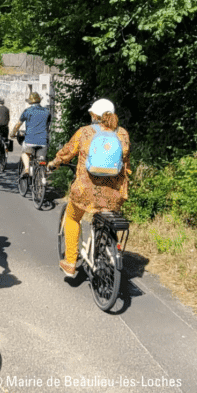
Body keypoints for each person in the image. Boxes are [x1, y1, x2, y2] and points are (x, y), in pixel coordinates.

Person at [48, 99, 131, 277]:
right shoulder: (123, 134)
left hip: (86, 191)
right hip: (113, 193)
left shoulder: (85, 132)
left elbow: (67, 152)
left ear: (94, 115)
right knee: (103, 218)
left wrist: (54, 163)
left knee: (71, 217)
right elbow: (125, 163)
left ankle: (70, 262)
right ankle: (104, 249)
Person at [10, 92, 51, 176]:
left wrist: (12, 133)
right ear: (39, 101)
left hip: (30, 140)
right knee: (41, 159)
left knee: (25, 153)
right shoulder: (47, 112)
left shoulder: (27, 111)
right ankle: (43, 174)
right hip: (43, 141)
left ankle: (27, 169)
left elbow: (18, 124)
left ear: (30, 102)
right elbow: (48, 127)